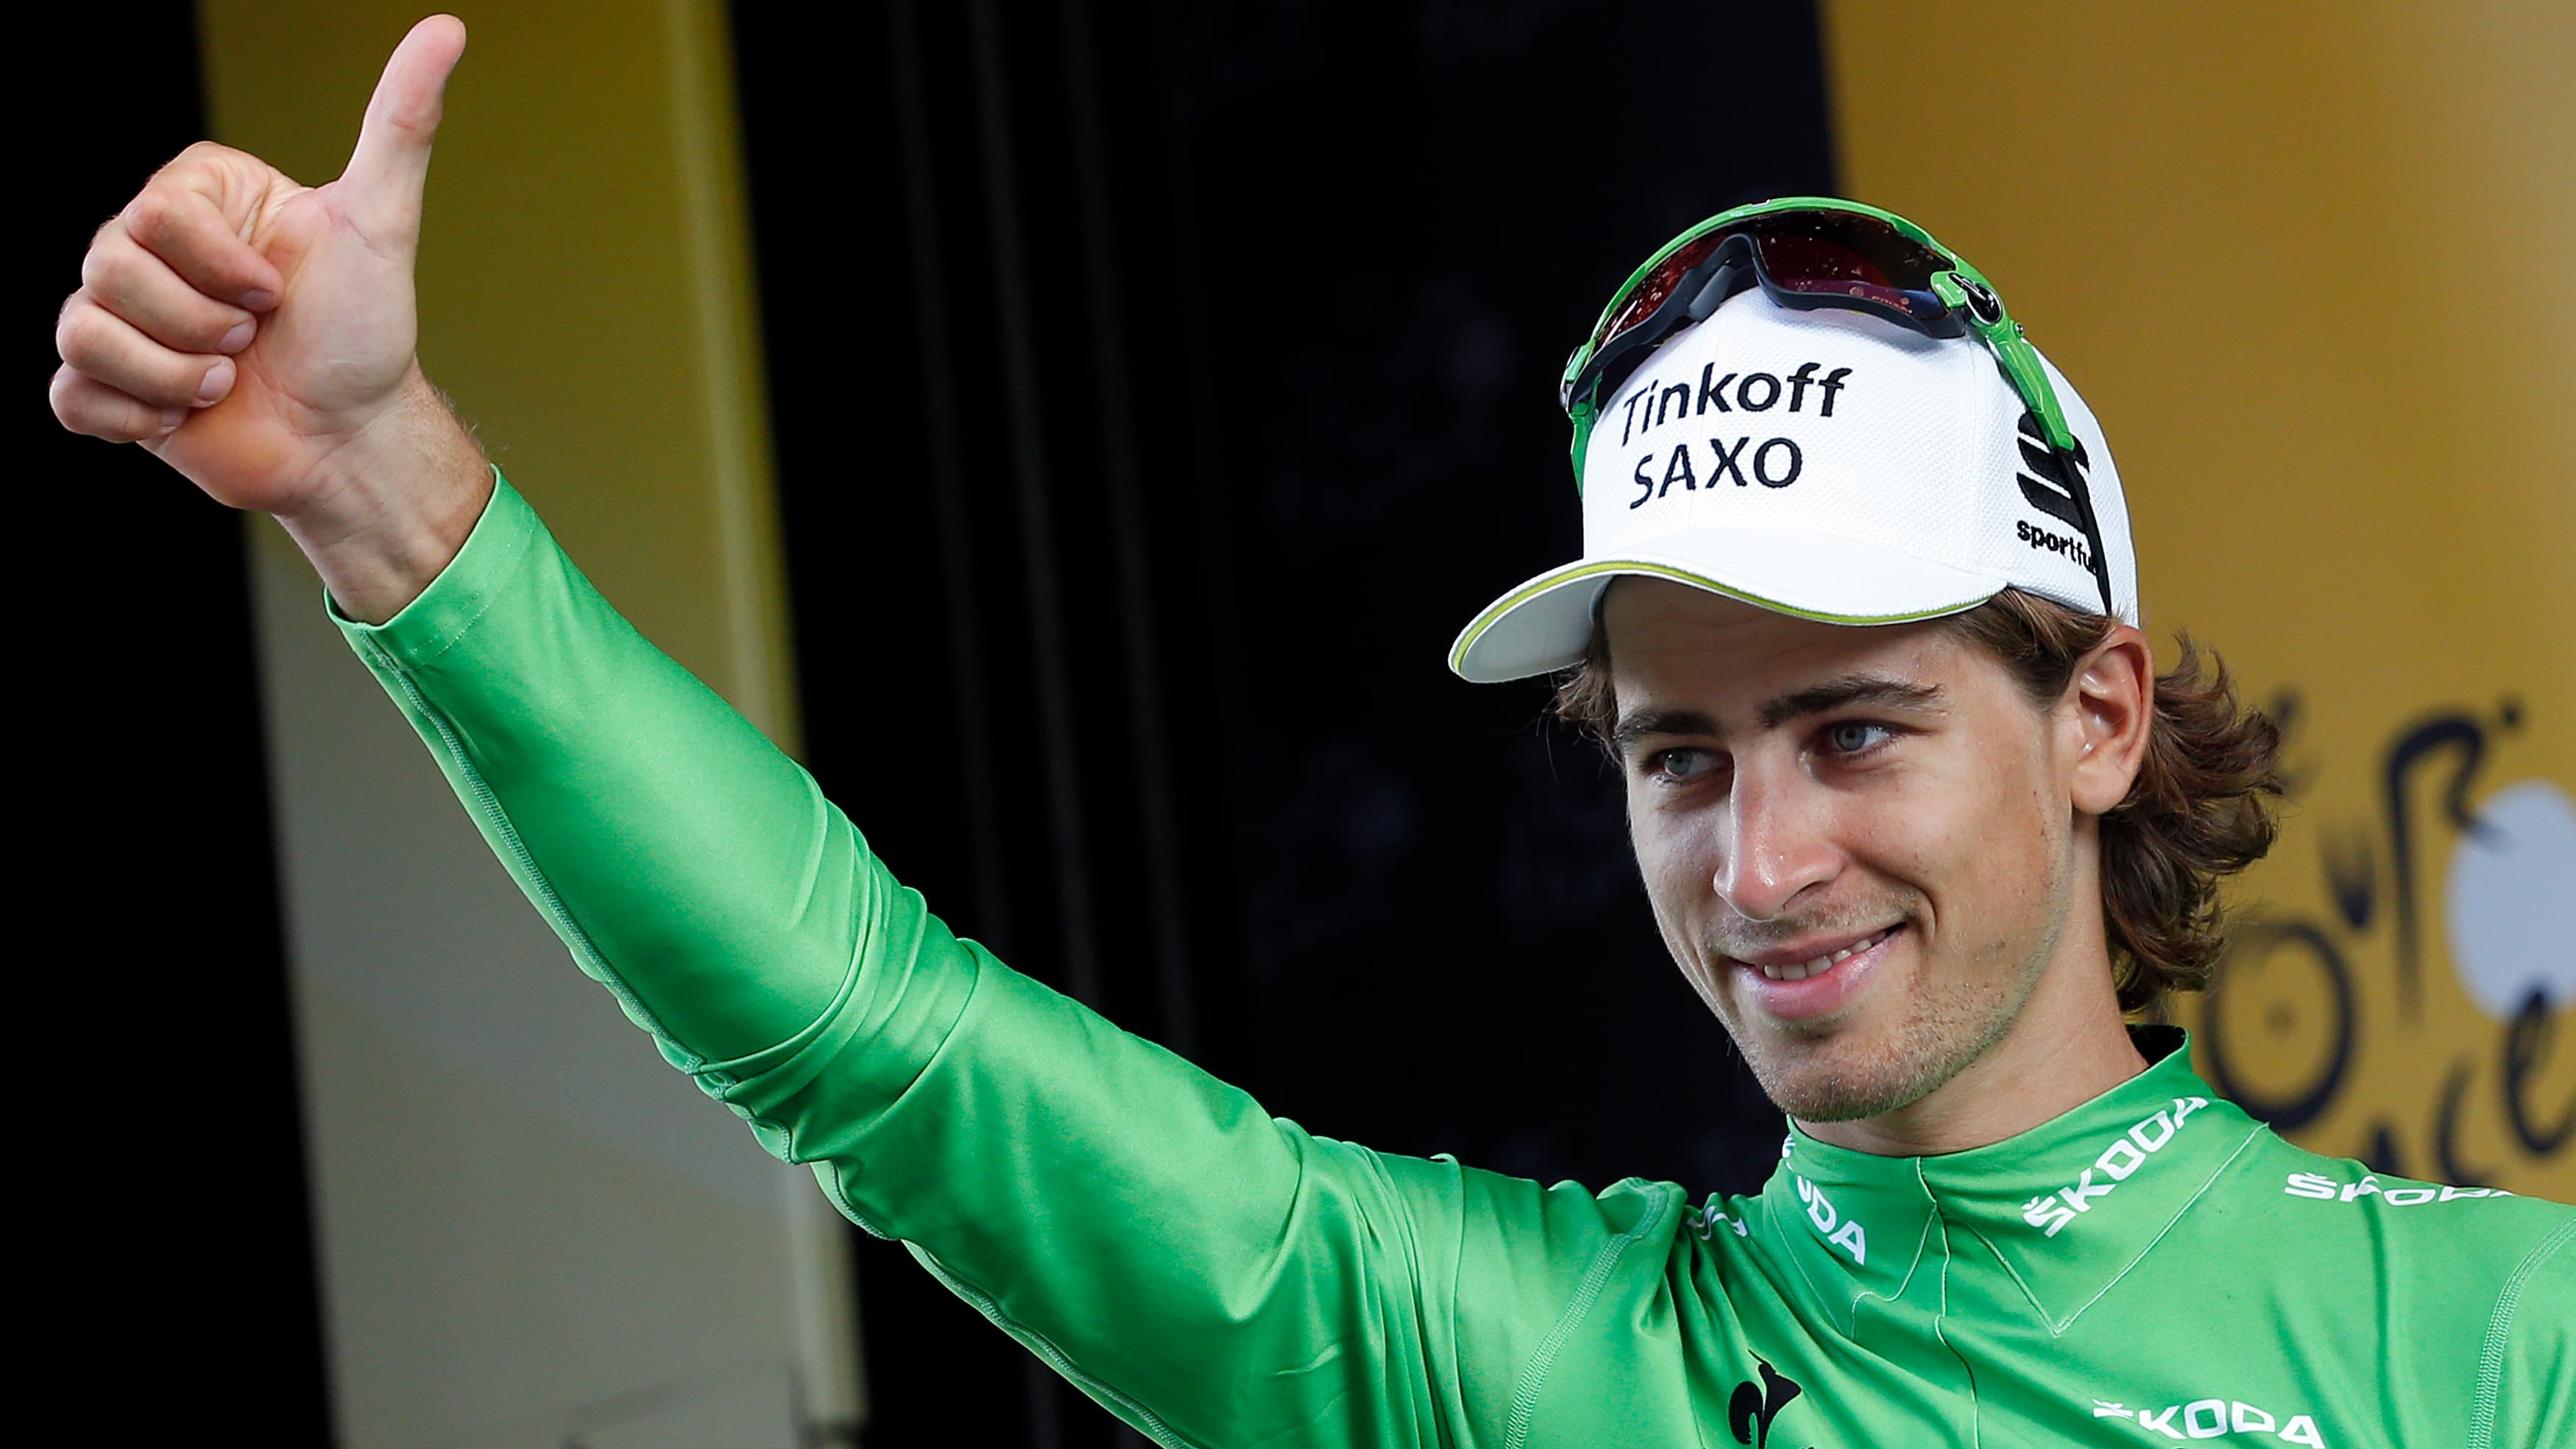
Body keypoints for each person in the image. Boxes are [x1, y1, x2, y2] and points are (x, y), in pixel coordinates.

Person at [52, 17, 2569, 1448]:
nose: (1761, 857)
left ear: (2098, 711)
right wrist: (387, 495)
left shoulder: (2486, 1340)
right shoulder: (1522, 1359)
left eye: (1852, 728)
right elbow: (880, 1038)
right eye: (1675, 760)